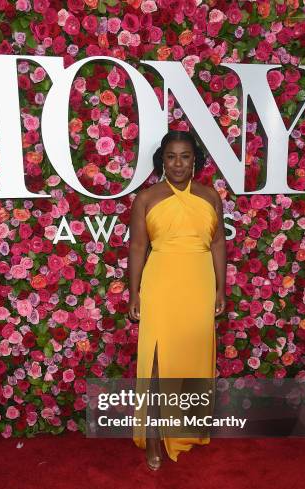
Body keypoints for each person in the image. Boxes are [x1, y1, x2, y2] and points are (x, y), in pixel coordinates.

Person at [128, 130, 227, 470]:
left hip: (198, 284)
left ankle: (183, 428)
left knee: (190, 356)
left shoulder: (211, 196)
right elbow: (138, 248)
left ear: (195, 160)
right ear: (162, 161)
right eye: (171, 157)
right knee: (157, 361)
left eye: (185, 156)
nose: (178, 163)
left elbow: (217, 244)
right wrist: (134, 291)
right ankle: (154, 435)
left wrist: (220, 289)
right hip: (161, 284)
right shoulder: (147, 199)